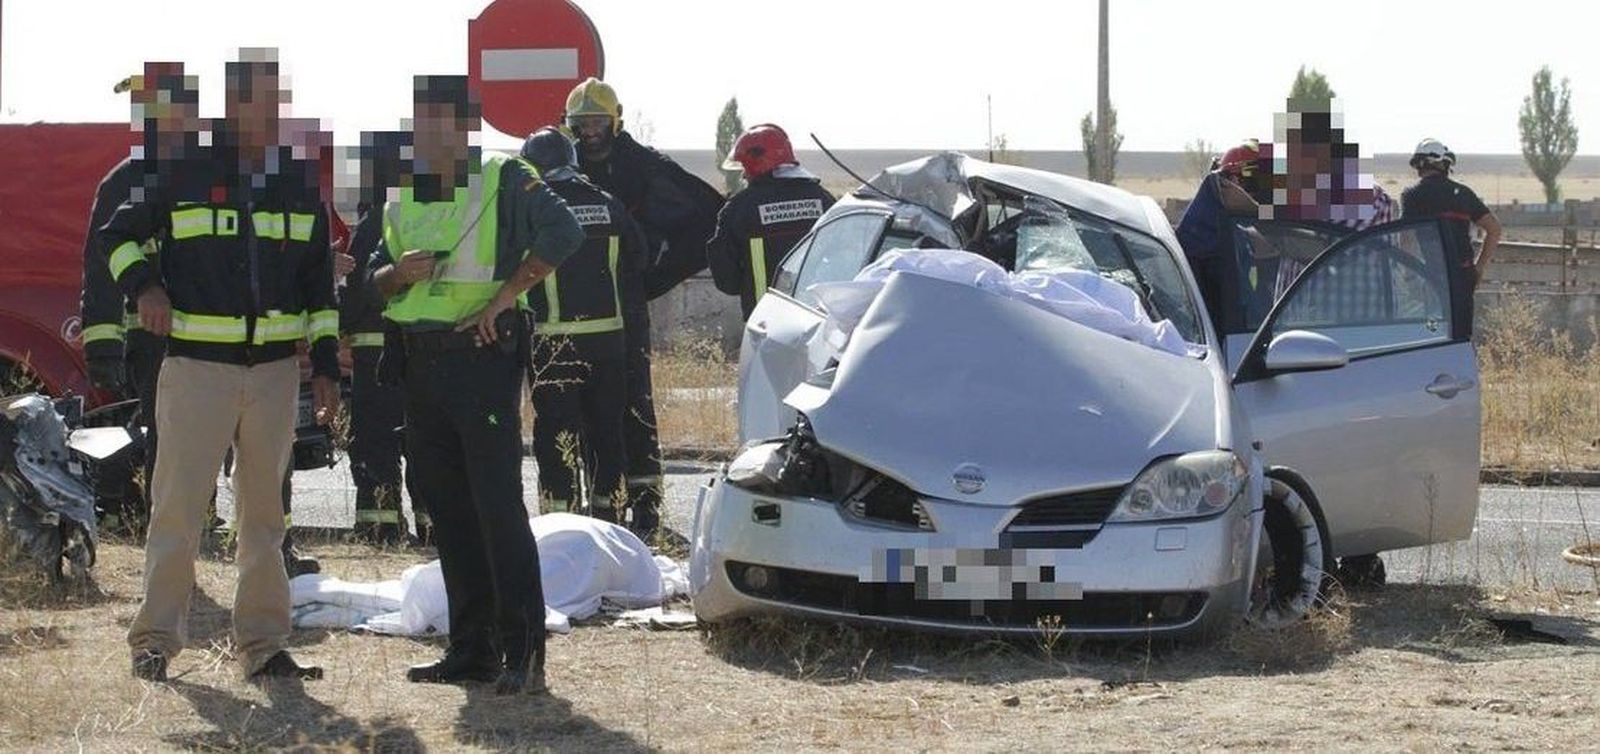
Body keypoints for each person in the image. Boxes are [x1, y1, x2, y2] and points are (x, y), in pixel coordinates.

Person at [104, 49, 339, 682]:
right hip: (196, 370)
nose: (269, 112)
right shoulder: (184, 170)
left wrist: (325, 367)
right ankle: (154, 641)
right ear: (233, 104)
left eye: (276, 100)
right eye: (257, 100)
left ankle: (263, 648)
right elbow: (116, 238)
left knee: (265, 517)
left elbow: (320, 283)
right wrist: (146, 288)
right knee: (177, 510)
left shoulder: (295, 180)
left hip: (271, 377)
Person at [369, 76, 582, 695]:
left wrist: (507, 297)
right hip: (419, 365)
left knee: (496, 508)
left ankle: (522, 653)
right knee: (449, 512)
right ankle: (472, 651)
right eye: (419, 122)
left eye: (438, 122)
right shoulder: (401, 193)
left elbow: (563, 234)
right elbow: (370, 280)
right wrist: (392, 276)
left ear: (466, 125)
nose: (426, 133)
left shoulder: (506, 179)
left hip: (480, 359)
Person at [564, 77, 724, 539]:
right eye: (580, 123)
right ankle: (594, 512)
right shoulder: (559, 168)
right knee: (580, 410)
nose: (589, 132)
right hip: (569, 308)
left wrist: (653, 278)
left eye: (596, 122)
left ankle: (648, 512)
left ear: (615, 122)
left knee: (634, 405)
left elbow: (709, 219)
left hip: (625, 306)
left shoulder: (645, 167)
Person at [80, 63, 200, 535]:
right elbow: (100, 262)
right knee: (163, 433)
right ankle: (163, 523)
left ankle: (187, 519)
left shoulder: (207, 178)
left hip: (205, 334)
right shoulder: (123, 182)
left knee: (191, 434)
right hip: (149, 335)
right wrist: (103, 342)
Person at [519, 126, 645, 520]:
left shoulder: (537, 210)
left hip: (554, 343)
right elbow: (636, 260)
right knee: (607, 434)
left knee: (557, 437)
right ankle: (610, 519)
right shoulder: (609, 204)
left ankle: (561, 520)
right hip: (609, 341)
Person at [343, 129, 422, 546]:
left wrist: (338, 323)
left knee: (376, 441)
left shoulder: (376, 220)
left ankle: (380, 527)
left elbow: (358, 290)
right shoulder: (427, 218)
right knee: (423, 441)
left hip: (375, 350)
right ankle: (432, 525)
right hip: (422, 348)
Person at [707, 124, 836, 319]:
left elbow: (727, 281)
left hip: (764, 320)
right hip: (817, 316)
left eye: (745, 166)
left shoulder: (741, 207)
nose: (743, 174)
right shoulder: (823, 199)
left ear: (757, 163)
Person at [1401, 138, 1502, 288]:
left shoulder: (1412, 195)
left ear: (1420, 165)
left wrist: (1410, 278)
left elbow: (1407, 238)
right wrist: (1479, 268)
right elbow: (1494, 229)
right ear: (1445, 165)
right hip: (1464, 276)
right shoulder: (1464, 194)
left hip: (1431, 277)